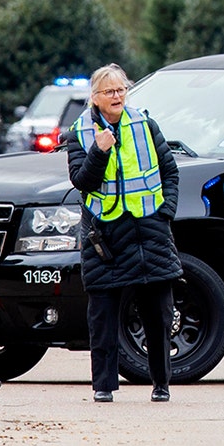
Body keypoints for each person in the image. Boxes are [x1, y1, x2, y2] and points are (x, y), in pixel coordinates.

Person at [66, 63, 182, 403]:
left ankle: (161, 384)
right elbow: (82, 182)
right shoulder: (80, 132)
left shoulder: (145, 124)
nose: (116, 96)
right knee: (102, 317)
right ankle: (104, 386)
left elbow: (170, 172)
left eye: (121, 90)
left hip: (150, 232)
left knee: (159, 316)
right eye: (109, 92)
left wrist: (166, 213)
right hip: (105, 237)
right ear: (95, 98)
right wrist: (98, 152)